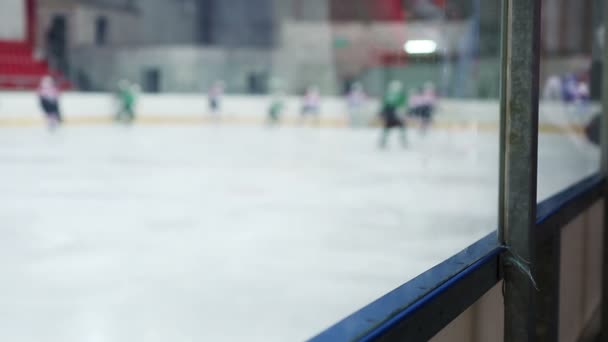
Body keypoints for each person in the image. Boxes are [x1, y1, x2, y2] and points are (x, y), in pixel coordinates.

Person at [379, 80, 407, 148]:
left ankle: (383, 141)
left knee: (389, 127)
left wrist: (382, 113)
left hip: (392, 114)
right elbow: (402, 105)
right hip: (393, 113)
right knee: (399, 127)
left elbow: (384, 105)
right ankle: (403, 140)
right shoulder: (399, 95)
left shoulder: (390, 94)